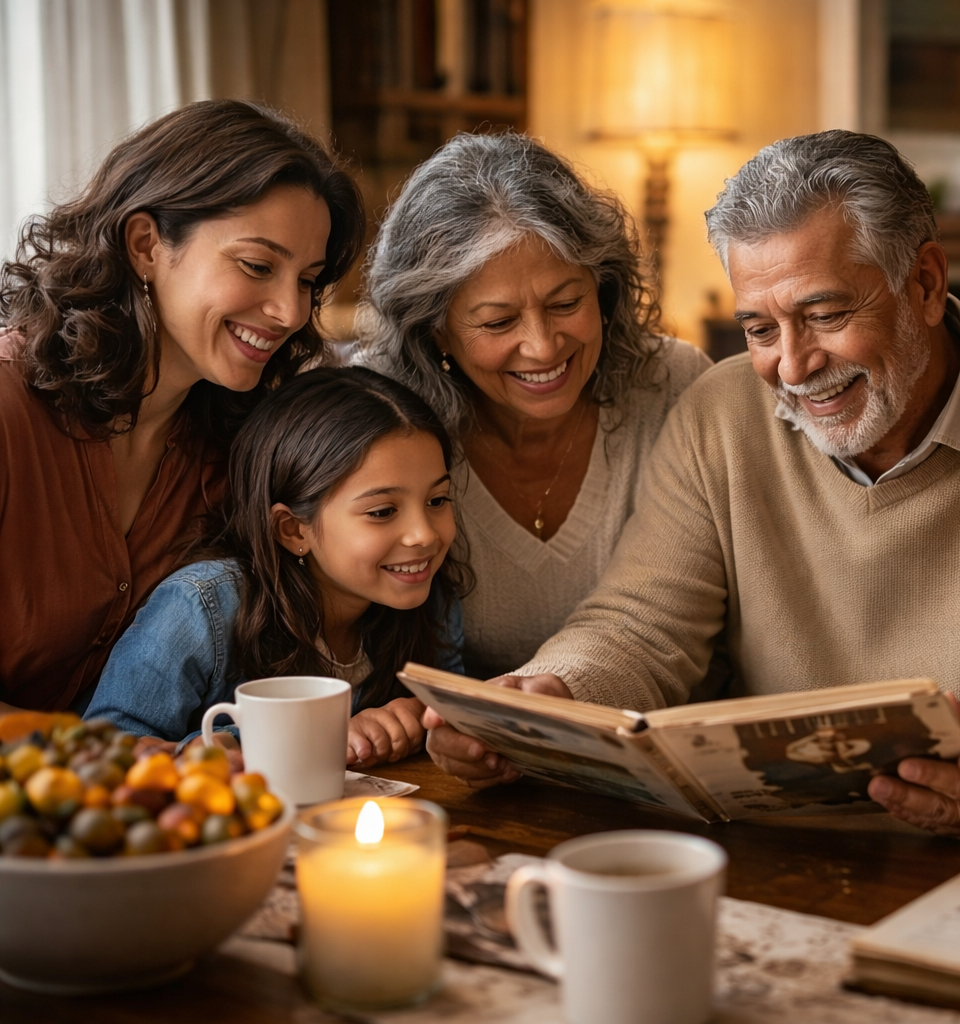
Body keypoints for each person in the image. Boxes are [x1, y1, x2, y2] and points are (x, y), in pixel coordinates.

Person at [424, 130, 960, 838]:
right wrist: (553, 692)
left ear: (925, 284)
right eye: (760, 329)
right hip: (763, 840)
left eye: (826, 315)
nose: (795, 366)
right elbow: (643, 627)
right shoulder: (722, 408)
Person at [0, 100, 365, 714]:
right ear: (146, 244)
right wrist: (110, 761)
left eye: (307, 279)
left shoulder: (239, 437)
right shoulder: (10, 410)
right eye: (257, 265)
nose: (290, 311)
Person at [360, 132, 712, 678]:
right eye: (499, 322)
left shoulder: (674, 386)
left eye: (566, 303)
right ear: (434, 331)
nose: (544, 346)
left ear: (604, 287)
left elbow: (681, 623)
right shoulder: (371, 413)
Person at [87, 368, 469, 769]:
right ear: (292, 529)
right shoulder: (203, 608)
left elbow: (454, 714)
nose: (423, 535)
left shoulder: (430, 596)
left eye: (437, 501)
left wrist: (418, 718)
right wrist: (278, 737)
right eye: (382, 511)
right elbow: (104, 752)